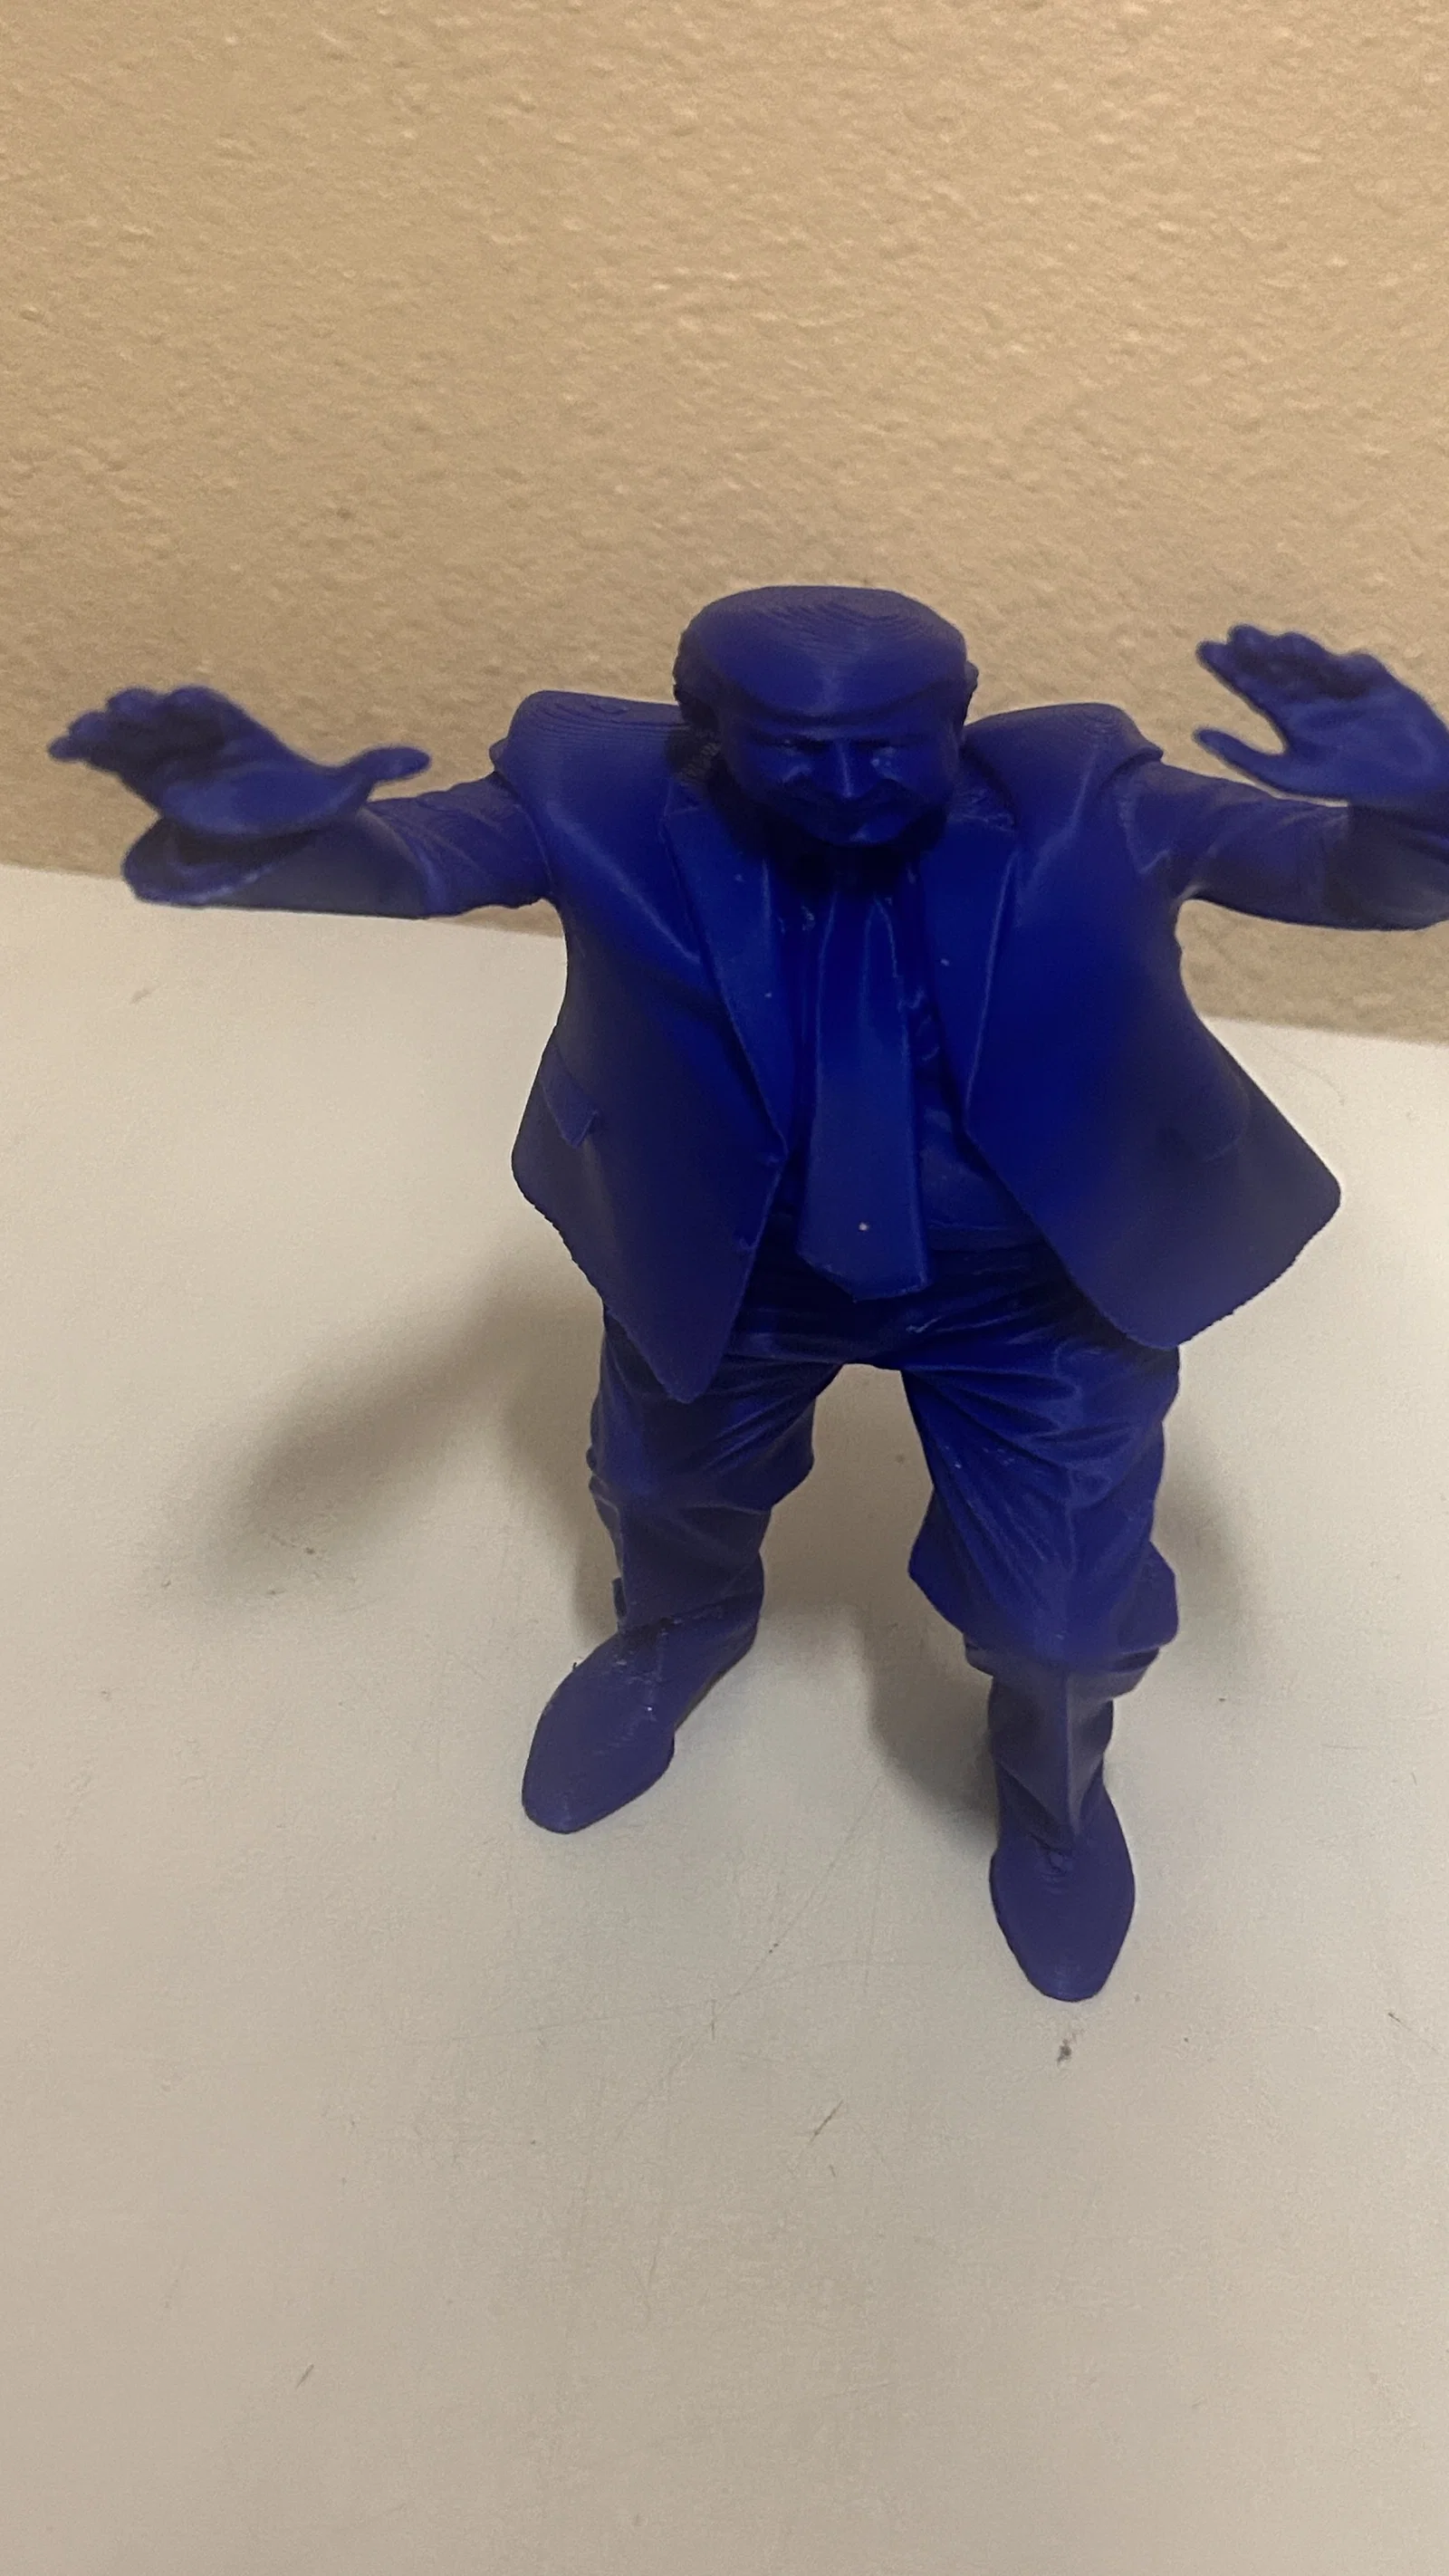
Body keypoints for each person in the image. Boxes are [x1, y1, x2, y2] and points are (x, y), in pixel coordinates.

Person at [51, 588, 1449, 1998]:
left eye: (891, 743)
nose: (847, 783)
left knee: (1066, 1624)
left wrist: (1419, 805)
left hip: (1027, 1292)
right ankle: (678, 1632)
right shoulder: (589, 789)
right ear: (705, 731)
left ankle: (1055, 1786)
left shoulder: (1093, 799)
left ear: (959, 720)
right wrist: (275, 829)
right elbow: (409, 863)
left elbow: (1347, 879)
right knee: (660, 1484)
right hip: (738, 1265)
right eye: (795, 747)